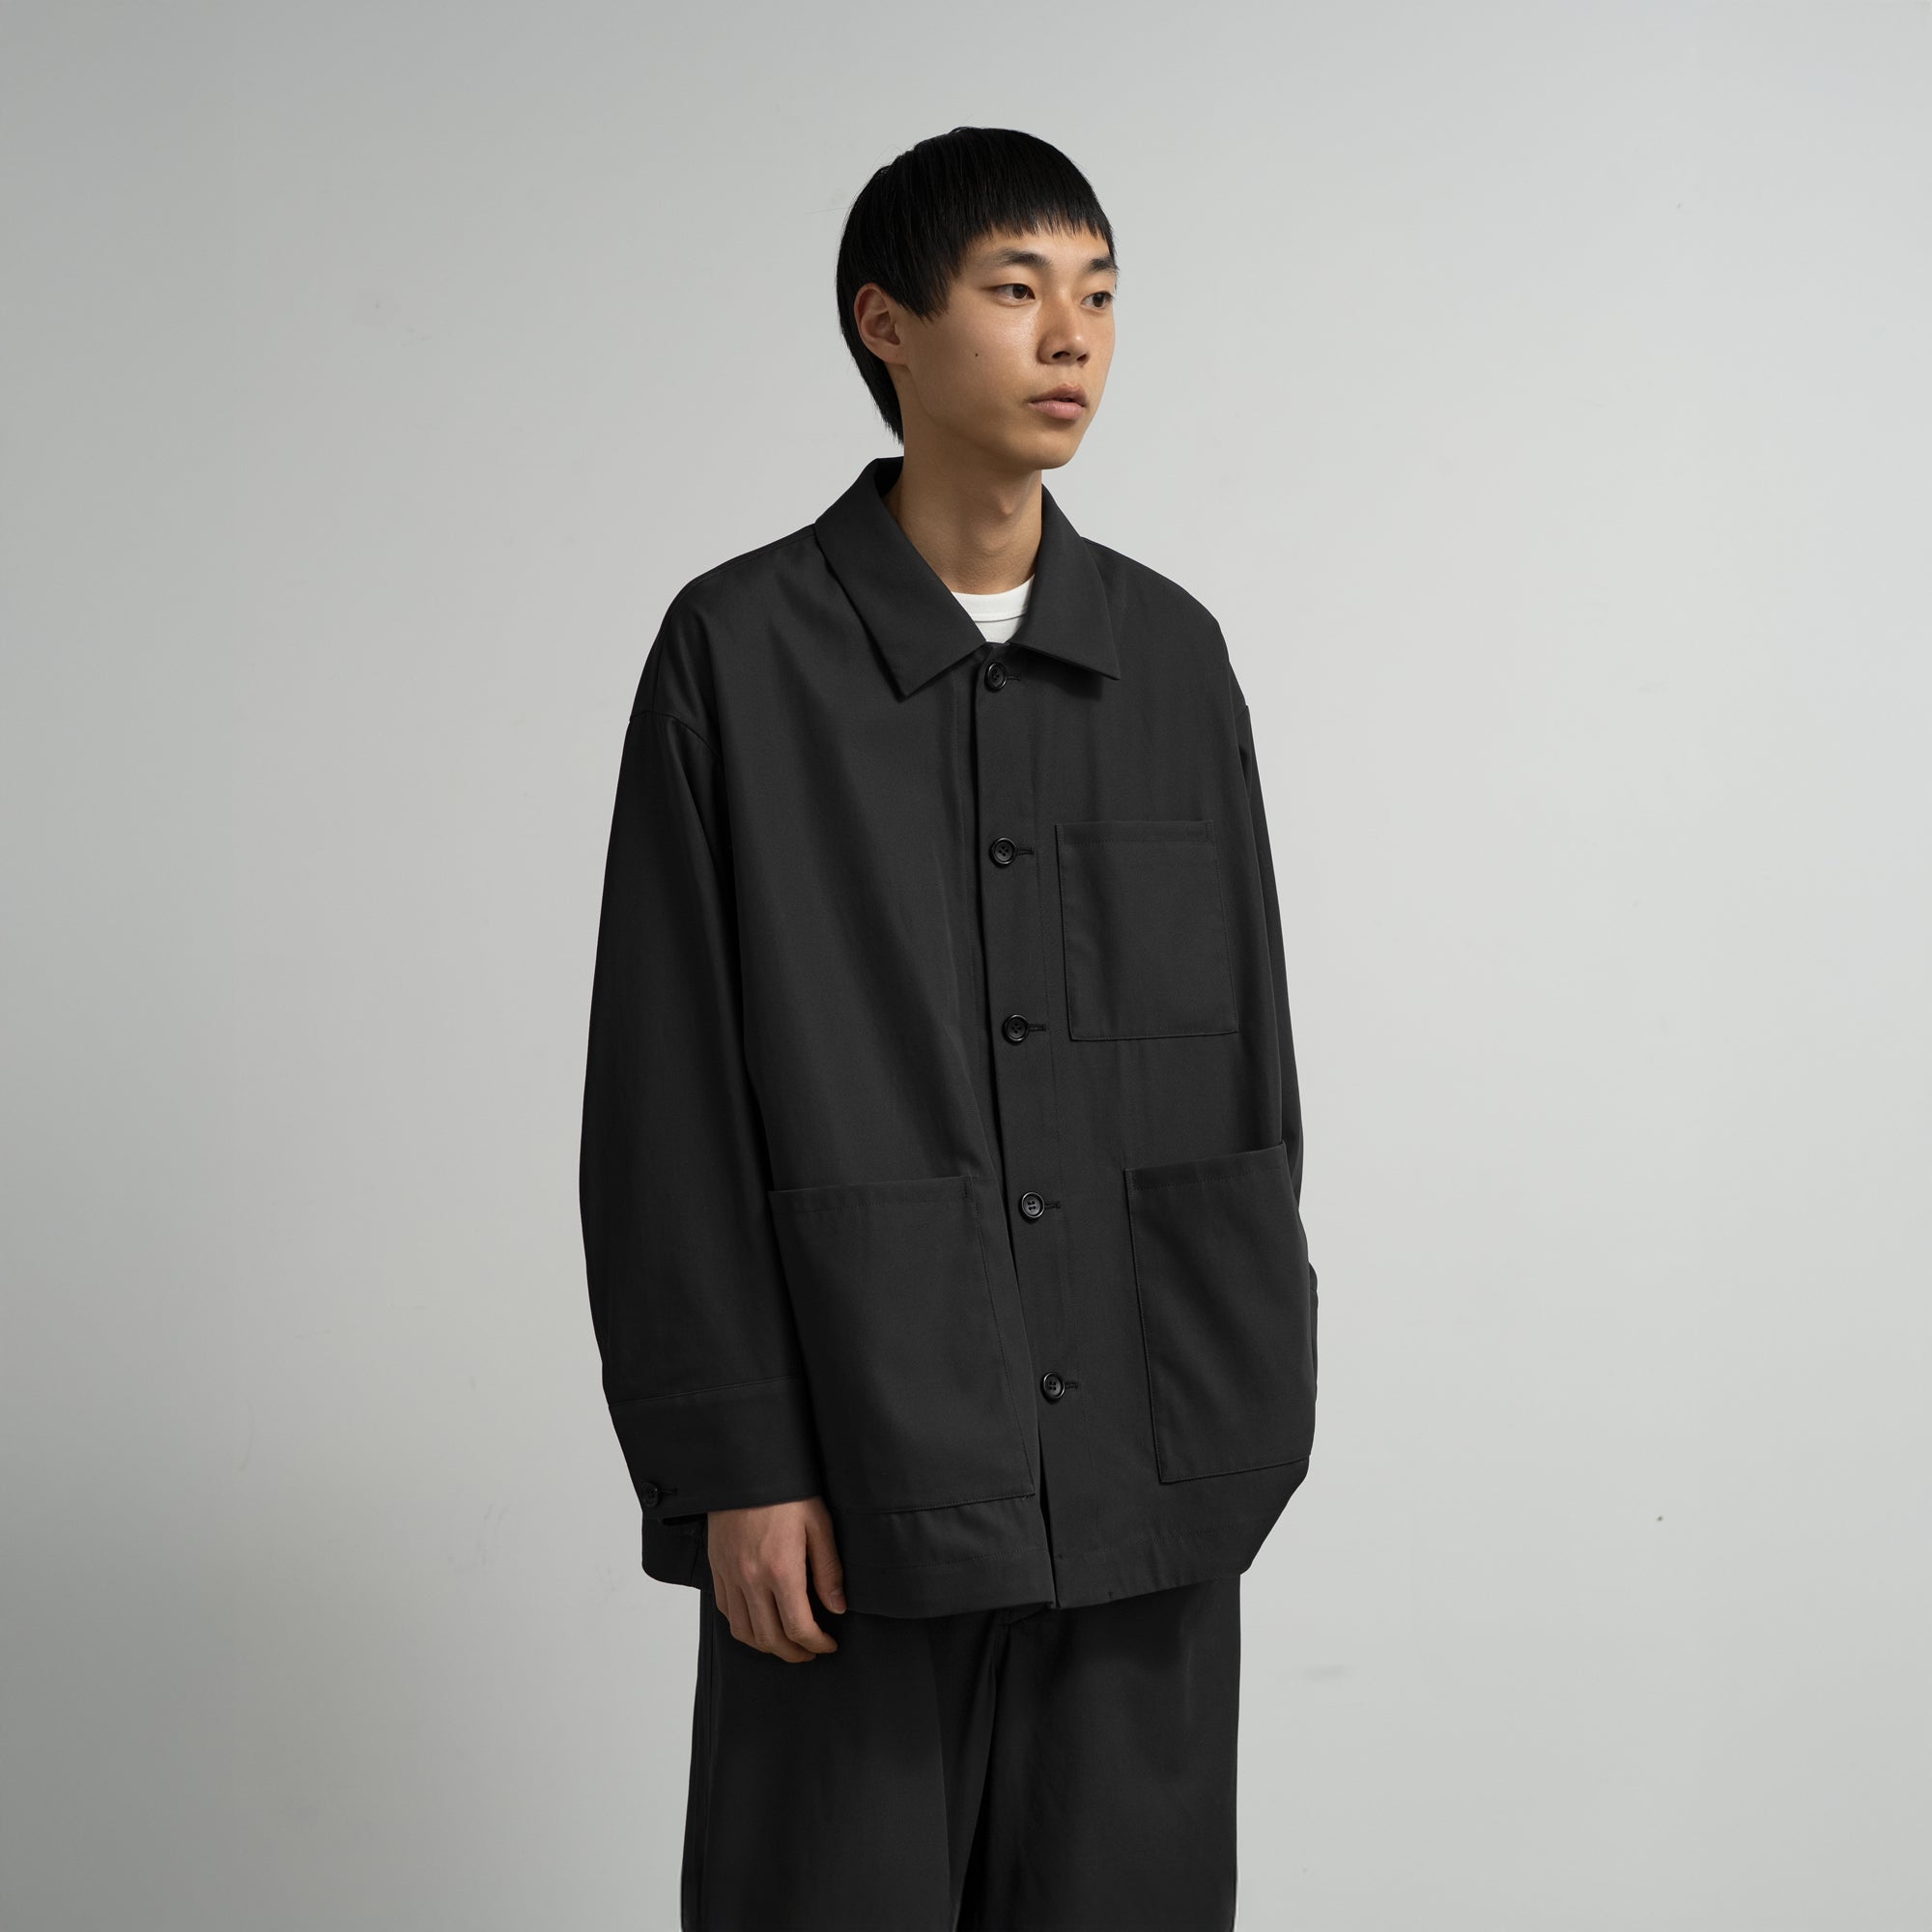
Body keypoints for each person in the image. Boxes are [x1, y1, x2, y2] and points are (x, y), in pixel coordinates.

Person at [579, 125, 1320, 1932]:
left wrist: (1243, 1398)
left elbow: (1249, 1073)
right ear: (886, 324)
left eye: (1100, 295)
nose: (1072, 337)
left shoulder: (1173, 657)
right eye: (1016, 290)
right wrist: (741, 1462)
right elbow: (666, 1100)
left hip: (1146, 1472)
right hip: (858, 1475)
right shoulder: (739, 655)